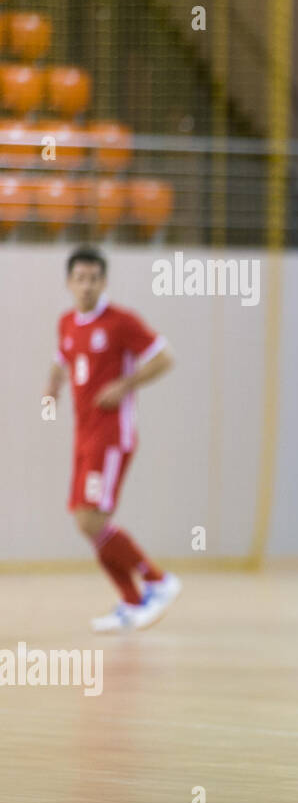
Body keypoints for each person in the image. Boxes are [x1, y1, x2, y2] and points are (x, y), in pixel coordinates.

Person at [43, 246, 181, 632]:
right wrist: (53, 384)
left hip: (110, 435)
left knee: (92, 519)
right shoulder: (67, 322)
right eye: (80, 278)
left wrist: (126, 384)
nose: (86, 285)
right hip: (83, 434)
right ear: (69, 282)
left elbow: (165, 357)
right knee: (86, 522)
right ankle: (132, 601)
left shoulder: (121, 322)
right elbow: (63, 357)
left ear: (104, 281)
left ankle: (157, 579)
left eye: (94, 278)